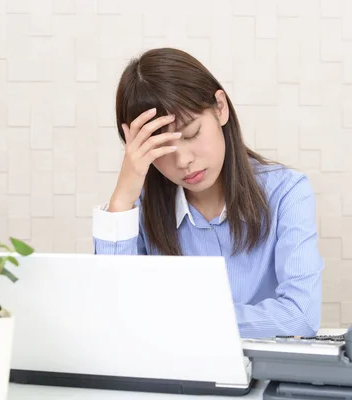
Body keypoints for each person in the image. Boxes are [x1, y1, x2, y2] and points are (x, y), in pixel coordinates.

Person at [92, 47, 324, 339]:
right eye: (162, 148)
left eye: (191, 134)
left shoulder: (287, 193)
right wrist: (123, 198)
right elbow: (115, 316)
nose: (183, 161)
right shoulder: (135, 212)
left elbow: (299, 317)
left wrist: (182, 321)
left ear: (220, 108)